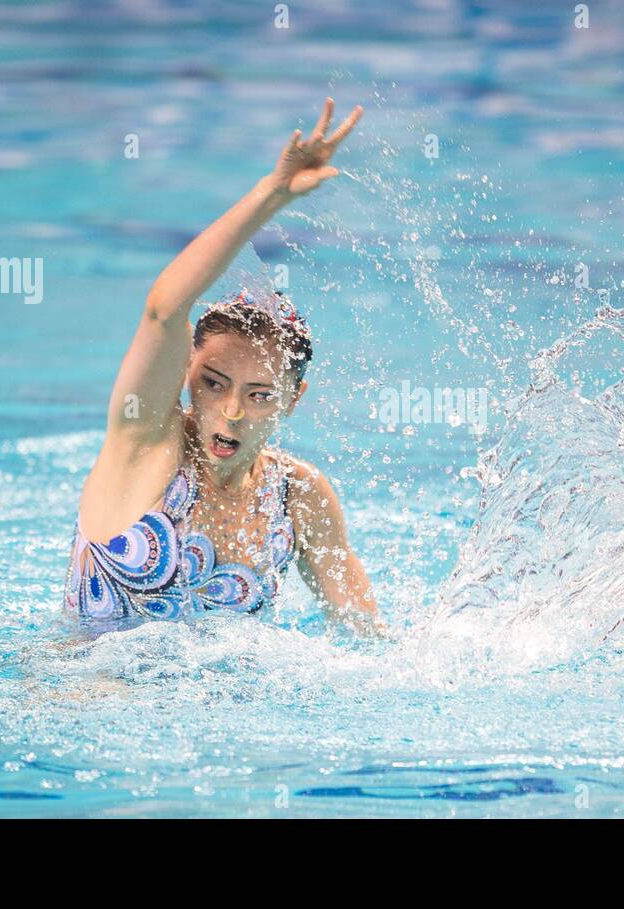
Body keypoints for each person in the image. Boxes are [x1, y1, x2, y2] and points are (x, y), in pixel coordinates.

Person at [64, 98, 384, 637]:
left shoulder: (298, 495)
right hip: (90, 702)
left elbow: (368, 640)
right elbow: (165, 307)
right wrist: (271, 196)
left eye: (259, 394)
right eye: (214, 384)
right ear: (187, 367)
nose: (231, 411)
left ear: (293, 398)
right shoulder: (145, 446)